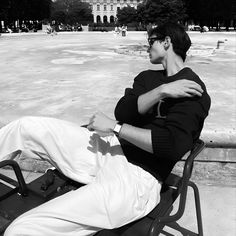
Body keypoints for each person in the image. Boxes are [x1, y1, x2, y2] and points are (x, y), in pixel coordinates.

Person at [0, 22, 211, 236]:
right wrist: (161, 91)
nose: (147, 47)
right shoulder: (149, 78)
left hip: (137, 178)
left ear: (167, 42)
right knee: (25, 126)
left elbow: (171, 146)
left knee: (22, 229)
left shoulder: (193, 90)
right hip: (108, 149)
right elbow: (123, 111)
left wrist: (116, 128)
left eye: (151, 42)